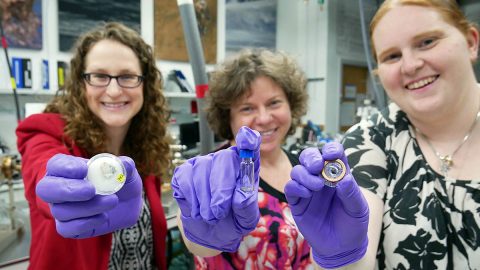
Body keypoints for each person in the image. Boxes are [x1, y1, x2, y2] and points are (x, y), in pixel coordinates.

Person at [286, 0, 480, 269]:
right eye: (391, 56)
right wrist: (340, 258)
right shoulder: (372, 139)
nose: (410, 65)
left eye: (427, 42)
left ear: (471, 42)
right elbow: (361, 261)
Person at [16, 22, 171, 270]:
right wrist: (61, 188)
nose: (113, 90)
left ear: (146, 84)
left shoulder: (145, 147)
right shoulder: (46, 131)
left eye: (127, 76)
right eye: (99, 76)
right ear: (81, 83)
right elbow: (41, 170)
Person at [172, 49, 321, 269]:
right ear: (228, 117)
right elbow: (200, 245)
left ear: (291, 105)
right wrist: (201, 237)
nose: (263, 118)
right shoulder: (214, 173)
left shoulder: (304, 169)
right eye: (247, 108)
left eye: (274, 103)